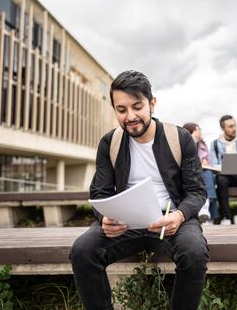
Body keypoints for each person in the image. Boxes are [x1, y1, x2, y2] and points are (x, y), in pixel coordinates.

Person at [70, 70, 210, 310]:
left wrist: (179, 216)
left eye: (137, 106)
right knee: (82, 251)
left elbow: (197, 191)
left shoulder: (181, 138)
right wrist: (105, 218)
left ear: (152, 103)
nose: (130, 116)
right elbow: (99, 192)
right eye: (121, 110)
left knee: (194, 253)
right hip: (125, 224)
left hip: (172, 219)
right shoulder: (109, 142)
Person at [210, 115, 237, 225]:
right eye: (230, 126)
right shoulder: (215, 144)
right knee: (221, 180)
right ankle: (226, 217)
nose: (234, 128)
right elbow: (215, 165)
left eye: (235, 125)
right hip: (225, 175)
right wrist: (225, 167)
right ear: (223, 128)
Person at [183, 122, 219, 224]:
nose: (201, 133)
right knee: (206, 175)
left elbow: (209, 162)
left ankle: (206, 210)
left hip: (203, 172)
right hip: (190, 173)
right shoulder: (184, 142)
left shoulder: (203, 145)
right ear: (194, 131)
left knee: (208, 174)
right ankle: (205, 207)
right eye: (199, 130)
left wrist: (206, 163)